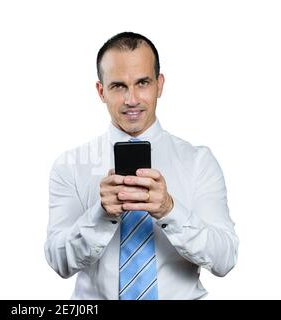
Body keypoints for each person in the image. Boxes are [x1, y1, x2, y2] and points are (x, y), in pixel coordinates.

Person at [44, 32, 239, 300]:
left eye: (142, 83)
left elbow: (224, 258)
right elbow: (59, 262)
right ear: (101, 91)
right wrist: (100, 215)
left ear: (159, 84)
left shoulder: (198, 162)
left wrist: (169, 210)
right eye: (118, 86)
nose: (132, 99)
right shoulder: (69, 165)